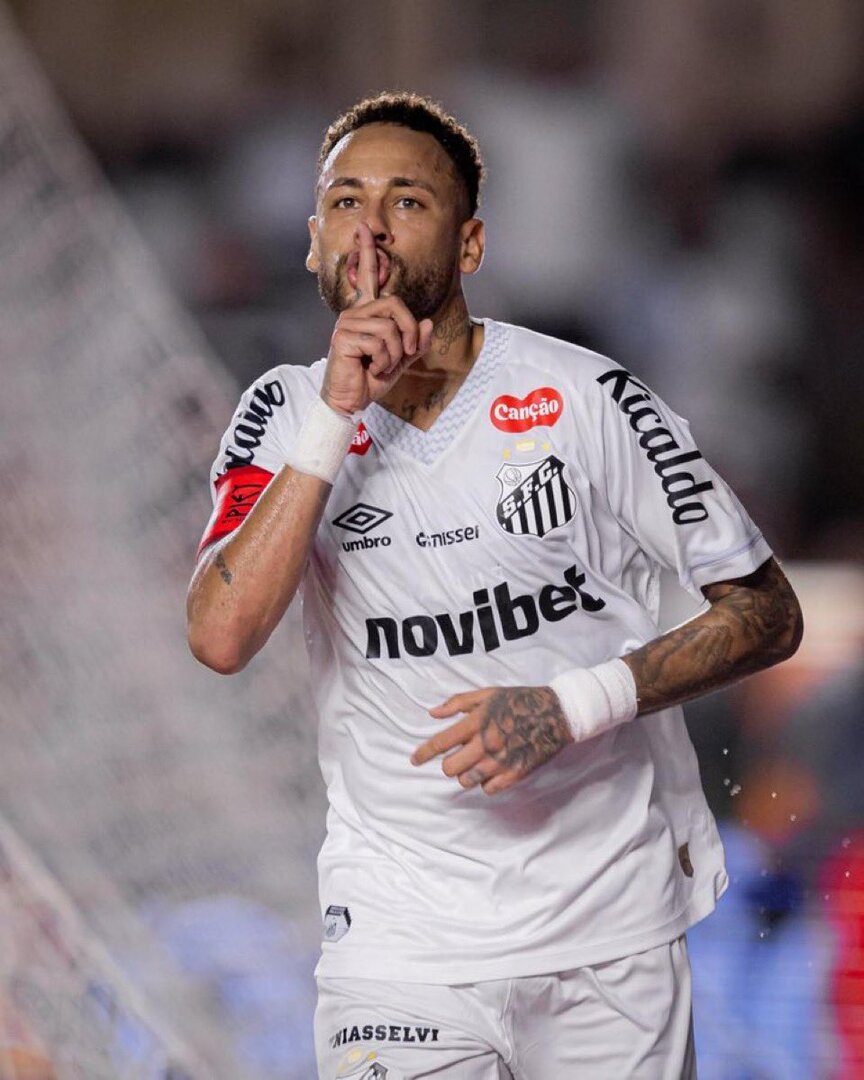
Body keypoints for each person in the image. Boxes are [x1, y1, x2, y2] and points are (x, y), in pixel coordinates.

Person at [187, 92, 803, 1079]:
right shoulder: (283, 413)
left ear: (470, 244)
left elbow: (767, 611)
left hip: (610, 933)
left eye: (406, 202)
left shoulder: (590, 399)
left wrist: (570, 706)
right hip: (400, 943)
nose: (370, 229)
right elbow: (220, 634)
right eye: (345, 202)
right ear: (311, 243)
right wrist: (334, 418)